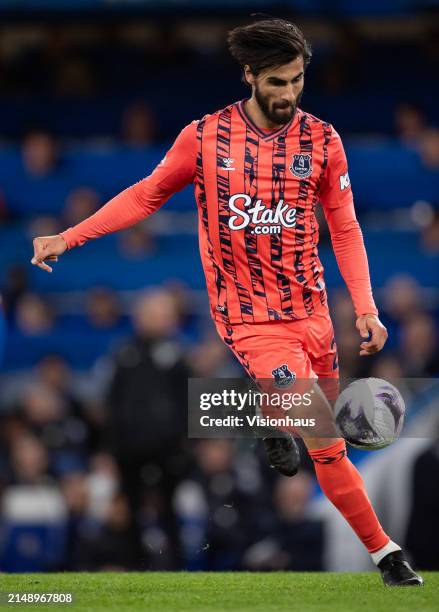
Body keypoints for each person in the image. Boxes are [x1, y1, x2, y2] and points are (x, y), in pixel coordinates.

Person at [31, 18, 422, 586]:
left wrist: (365, 306)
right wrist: (70, 236)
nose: (288, 93)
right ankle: (380, 544)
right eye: (277, 82)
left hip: (311, 315)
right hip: (249, 318)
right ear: (249, 76)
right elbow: (146, 195)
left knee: (328, 453)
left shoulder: (323, 141)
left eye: (297, 80)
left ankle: (357, 522)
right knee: (313, 418)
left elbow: (345, 227)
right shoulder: (205, 137)